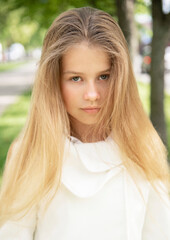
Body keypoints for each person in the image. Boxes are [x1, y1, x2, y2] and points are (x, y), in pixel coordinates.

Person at [0, 6, 169, 240]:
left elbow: (159, 232)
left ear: (120, 77)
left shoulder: (143, 148)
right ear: (54, 80)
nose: (92, 94)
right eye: (76, 78)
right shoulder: (32, 153)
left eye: (103, 77)